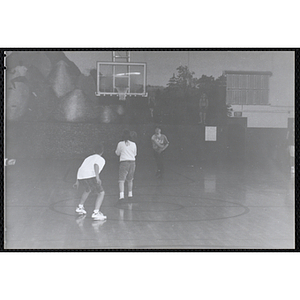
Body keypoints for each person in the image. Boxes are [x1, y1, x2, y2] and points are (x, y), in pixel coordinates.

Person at [74, 143, 107, 221]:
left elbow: (80, 168)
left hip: (81, 176)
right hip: (90, 176)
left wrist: (77, 181)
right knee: (101, 193)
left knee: (88, 190)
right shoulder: (100, 159)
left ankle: (80, 207)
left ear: (94, 150)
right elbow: (96, 165)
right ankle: (96, 212)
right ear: (102, 151)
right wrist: (97, 178)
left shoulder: (88, 158)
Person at [115, 130, 137, 200]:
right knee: (130, 179)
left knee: (121, 179)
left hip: (124, 162)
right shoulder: (133, 144)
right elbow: (135, 154)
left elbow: (117, 153)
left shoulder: (120, 144)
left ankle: (121, 196)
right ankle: (130, 194)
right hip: (132, 162)